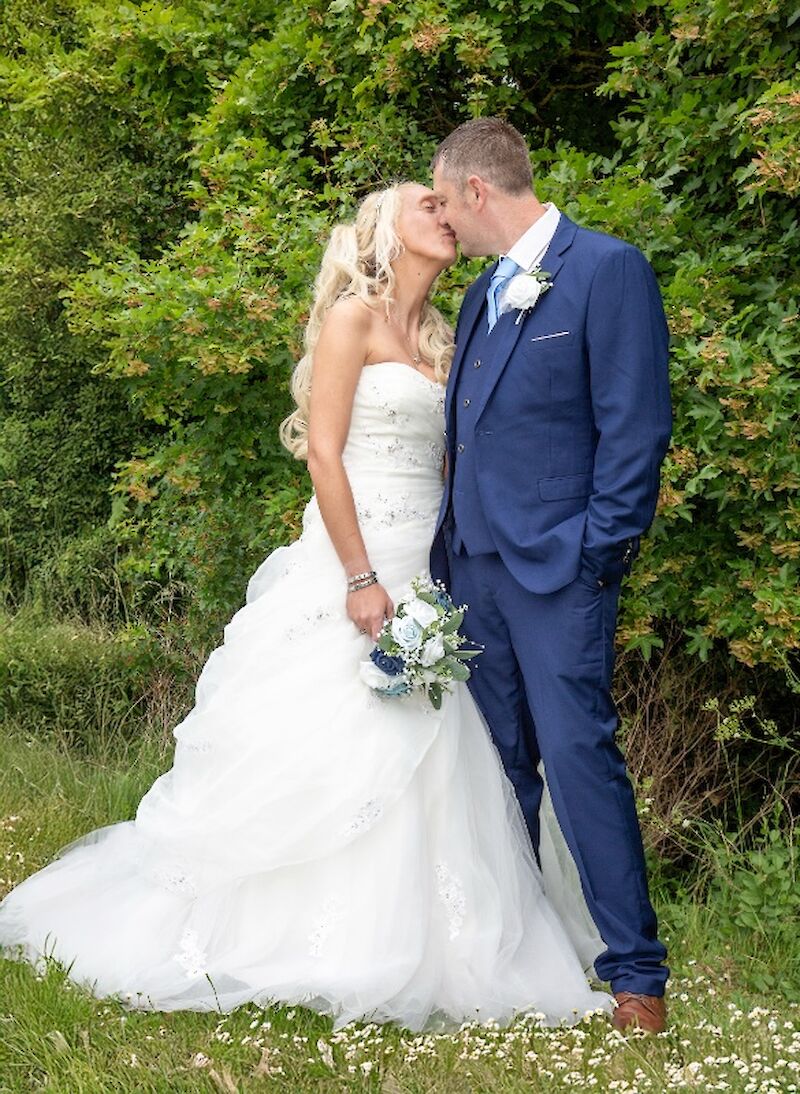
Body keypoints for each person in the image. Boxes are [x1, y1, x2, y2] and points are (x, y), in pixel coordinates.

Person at [0, 182, 613, 1032]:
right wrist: (361, 579)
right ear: (384, 231)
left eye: (448, 205)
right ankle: (289, 935)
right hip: (355, 559)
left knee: (433, 743)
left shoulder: (446, 335)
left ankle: (430, 937)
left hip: (430, 563)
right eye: (426, 205)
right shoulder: (353, 320)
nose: (445, 214)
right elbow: (324, 455)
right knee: (335, 729)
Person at [430, 118, 672, 1034]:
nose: (443, 219)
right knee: (497, 769)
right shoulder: (480, 293)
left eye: (445, 200)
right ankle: (524, 961)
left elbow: (635, 427)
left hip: (560, 571)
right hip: (474, 568)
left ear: (477, 190)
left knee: (577, 760)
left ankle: (637, 975)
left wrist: (595, 557)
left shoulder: (607, 270)